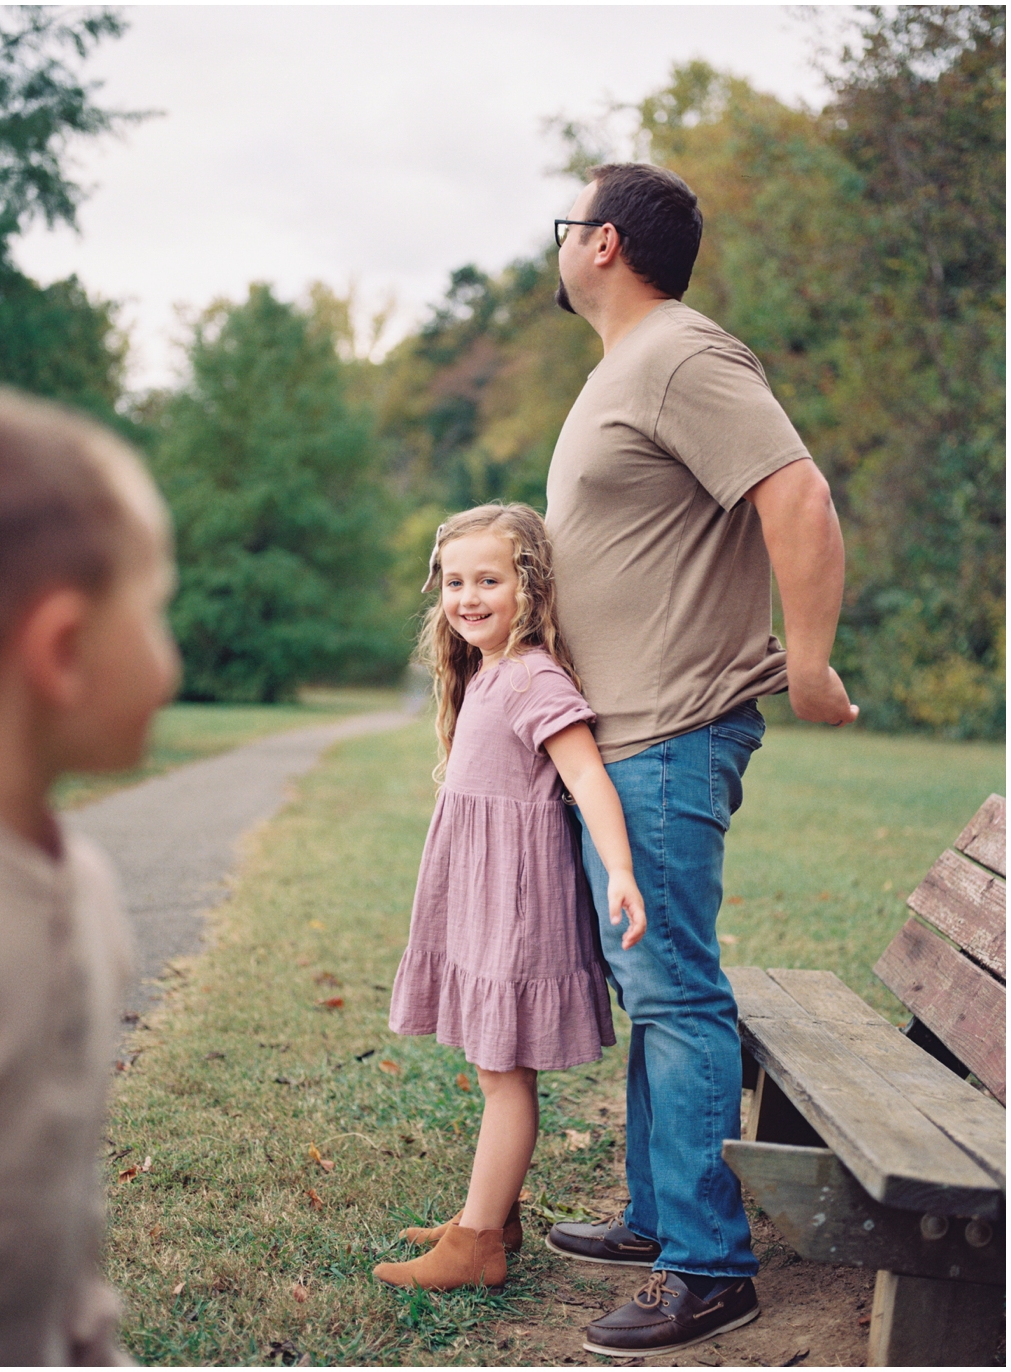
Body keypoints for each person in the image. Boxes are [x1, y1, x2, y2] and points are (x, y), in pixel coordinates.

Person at [544, 164, 858, 1359]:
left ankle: (708, 1269)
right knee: (653, 986)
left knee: (673, 989)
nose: (559, 242)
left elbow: (798, 494)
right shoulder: (625, 365)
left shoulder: (684, 356)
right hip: (620, 736)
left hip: (670, 733)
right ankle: (654, 1215)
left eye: (564, 224)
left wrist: (812, 660)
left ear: (603, 241)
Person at [373, 503, 646, 1293]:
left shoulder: (531, 675)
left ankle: (479, 1243)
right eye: (455, 581)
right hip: (484, 896)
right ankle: (492, 1212)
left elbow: (587, 774)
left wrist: (620, 869)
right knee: (498, 1068)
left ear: (528, 586)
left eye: (488, 579)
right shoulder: (488, 671)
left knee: (504, 1073)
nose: (467, 597)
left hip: (518, 906)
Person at [0, 389, 180, 1365]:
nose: (173, 663)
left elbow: (61, 1212)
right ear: (63, 650)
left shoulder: (88, 890)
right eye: (153, 617)